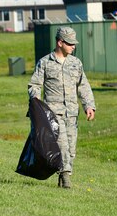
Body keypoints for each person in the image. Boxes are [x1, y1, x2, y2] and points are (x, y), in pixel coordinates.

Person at [28, 27, 96, 188]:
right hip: (53, 114)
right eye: (70, 43)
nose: (73, 46)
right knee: (62, 144)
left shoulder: (76, 63)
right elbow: (34, 84)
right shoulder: (45, 62)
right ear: (60, 42)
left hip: (72, 114)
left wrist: (89, 105)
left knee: (71, 149)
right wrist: (35, 98)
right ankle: (65, 177)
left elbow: (83, 86)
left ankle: (63, 174)